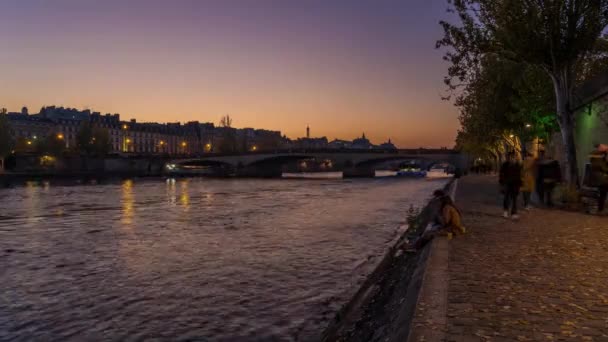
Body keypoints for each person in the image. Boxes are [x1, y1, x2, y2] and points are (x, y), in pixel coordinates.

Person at [499, 152, 522, 219]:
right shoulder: (505, 165)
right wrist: (502, 183)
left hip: (515, 184)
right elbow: (501, 174)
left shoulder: (518, 165)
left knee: (514, 199)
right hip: (507, 183)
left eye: (513, 157)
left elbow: (519, 175)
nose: (512, 158)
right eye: (510, 157)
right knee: (506, 198)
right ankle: (505, 211)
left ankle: (514, 213)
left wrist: (520, 184)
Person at [589, 146, 608, 213]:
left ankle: (600, 208)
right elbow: (605, 169)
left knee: (603, 192)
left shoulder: (597, 160)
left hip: (601, 180)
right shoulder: (598, 161)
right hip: (602, 180)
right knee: (603, 190)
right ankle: (600, 209)